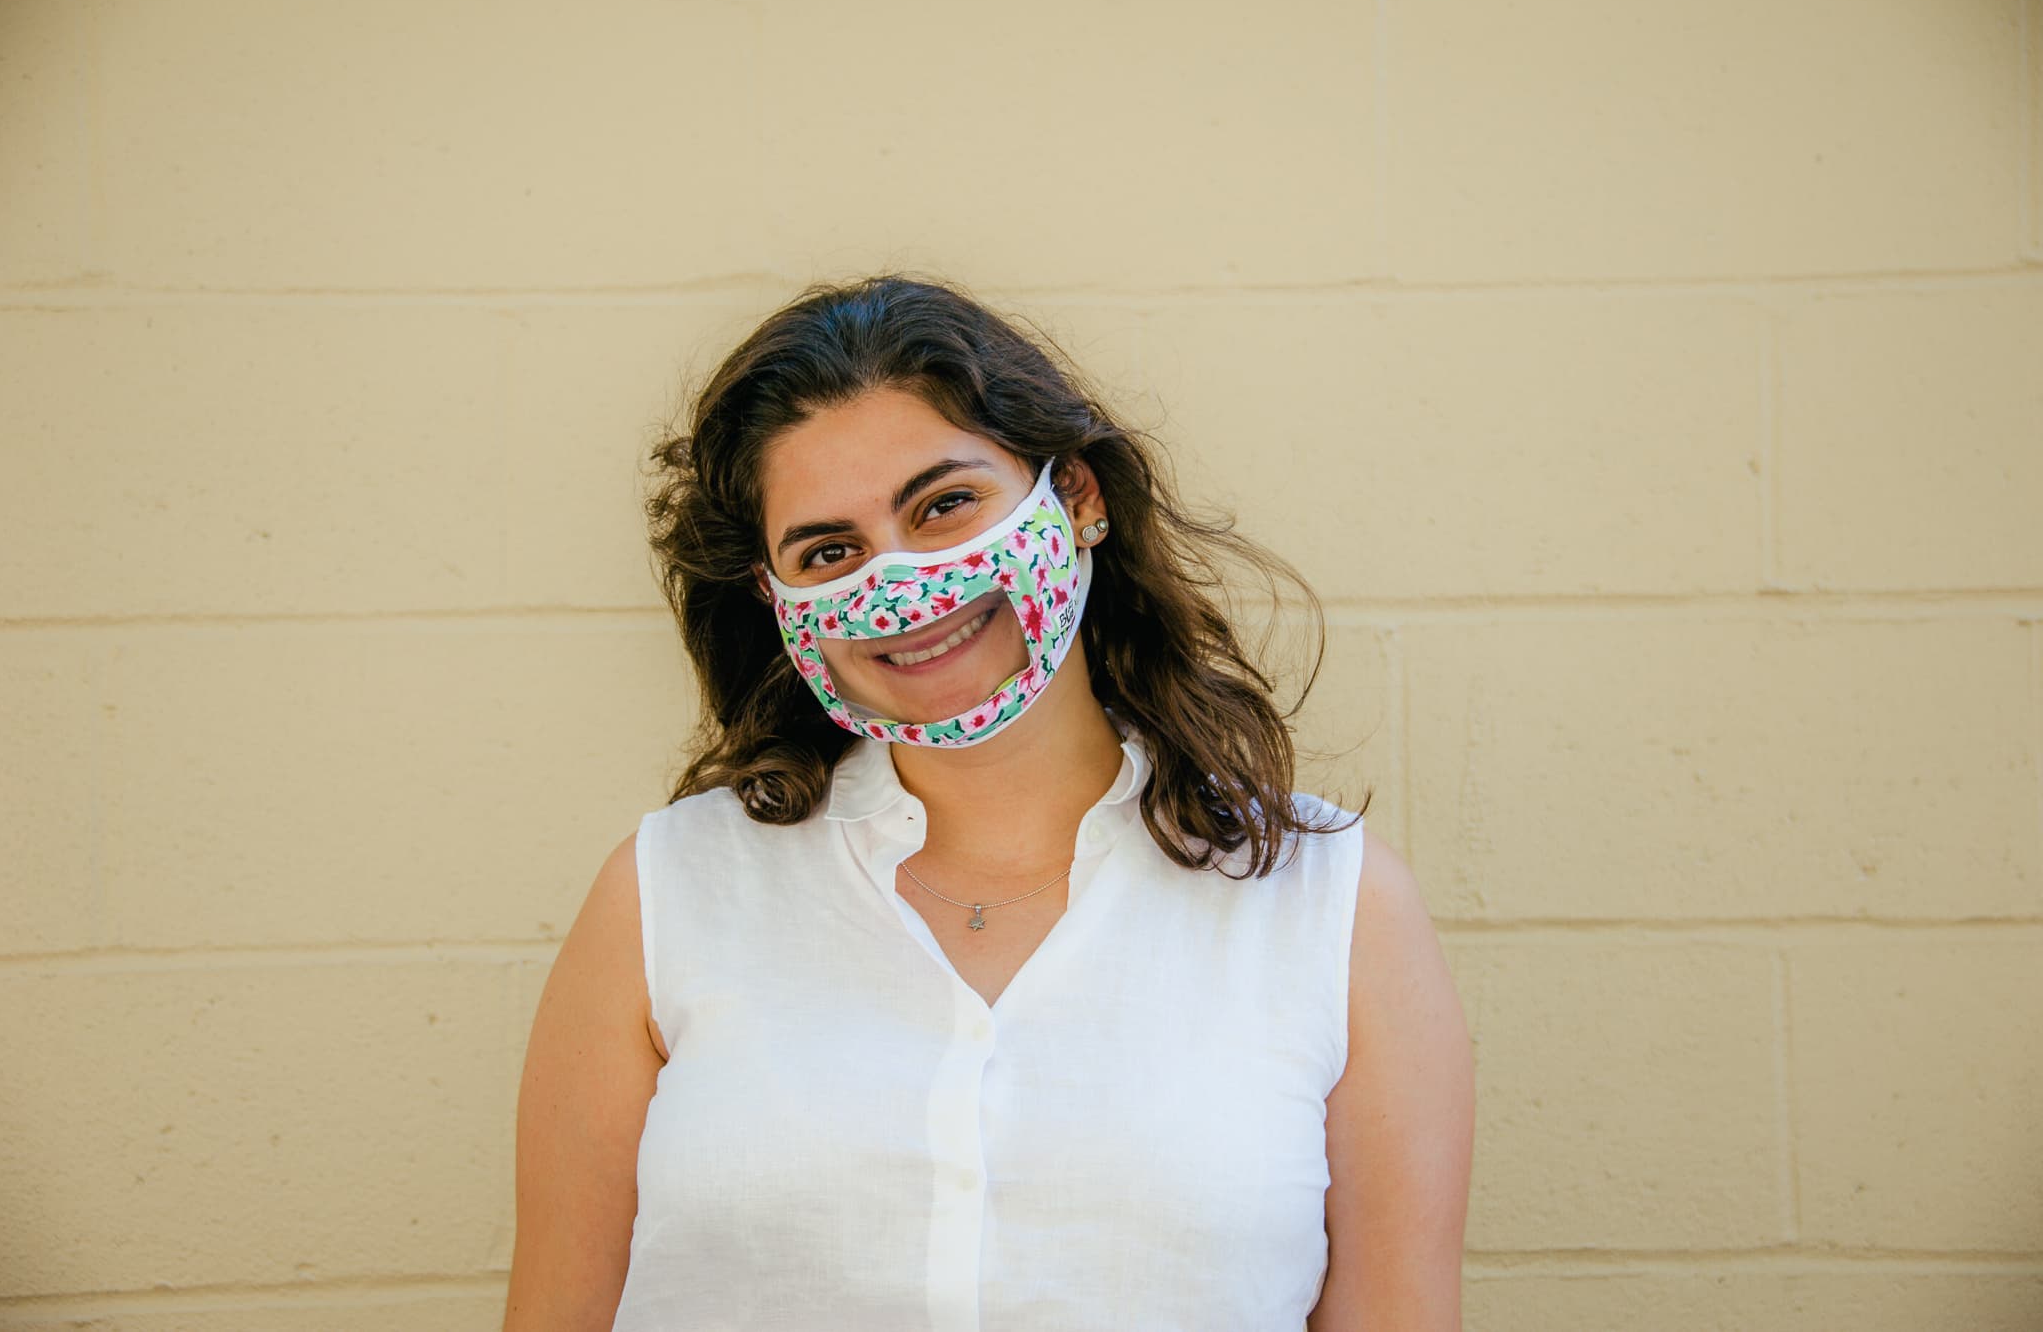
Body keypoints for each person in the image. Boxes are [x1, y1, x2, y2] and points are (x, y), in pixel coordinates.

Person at [503, 273, 1474, 1332]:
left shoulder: (1333, 905)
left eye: (944, 504)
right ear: (777, 604)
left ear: (1080, 500)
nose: (904, 580)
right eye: (829, 550)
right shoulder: (666, 894)